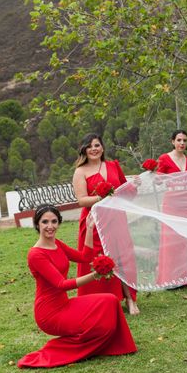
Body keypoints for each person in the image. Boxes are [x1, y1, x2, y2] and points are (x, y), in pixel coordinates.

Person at [17, 205, 137, 368]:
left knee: (110, 300)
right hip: (49, 313)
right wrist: (96, 275)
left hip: (64, 304)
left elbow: (85, 256)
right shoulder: (36, 254)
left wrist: (89, 228)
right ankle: (62, 349)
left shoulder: (57, 244)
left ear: (59, 223)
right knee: (98, 317)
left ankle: (115, 345)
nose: (50, 226)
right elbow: (61, 284)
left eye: (54, 221)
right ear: (37, 225)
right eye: (45, 222)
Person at [72, 133, 139, 314]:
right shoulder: (80, 171)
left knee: (122, 257)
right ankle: (100, 300)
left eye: (97, 145)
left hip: (116, 218)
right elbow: (81, 200)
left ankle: (130, 300)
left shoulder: (113, 166)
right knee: (97, 260)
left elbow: (126, 191)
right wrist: (102, 196)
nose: (94, 149)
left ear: (102, 148)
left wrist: (136, 185)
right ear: (84, 150)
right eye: (90, 146)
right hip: (94, 222)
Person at [156, 129, 187, 286]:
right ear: (172, 142)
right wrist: (153, 174)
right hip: (172, 201)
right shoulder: (164, 158)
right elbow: (158, 180)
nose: (182, 143)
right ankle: (174, 278)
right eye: (179, 140)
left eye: (184, 140)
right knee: (173, 239)